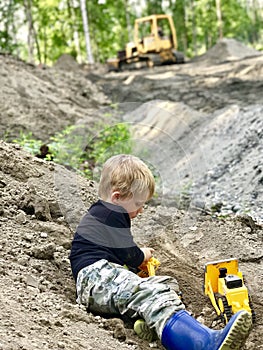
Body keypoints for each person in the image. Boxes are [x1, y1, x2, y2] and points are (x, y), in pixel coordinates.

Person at [69, 154, 252, 350]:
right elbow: (129, 254)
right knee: (153, 293)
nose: (141, 210)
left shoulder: (104, 213)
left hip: (101, 280)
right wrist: (142, 255)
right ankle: (203, 344)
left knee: (165, 284)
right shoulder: (111, 212)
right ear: (117, 197)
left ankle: (151, 322)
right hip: (96, 279)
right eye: (138, 204)